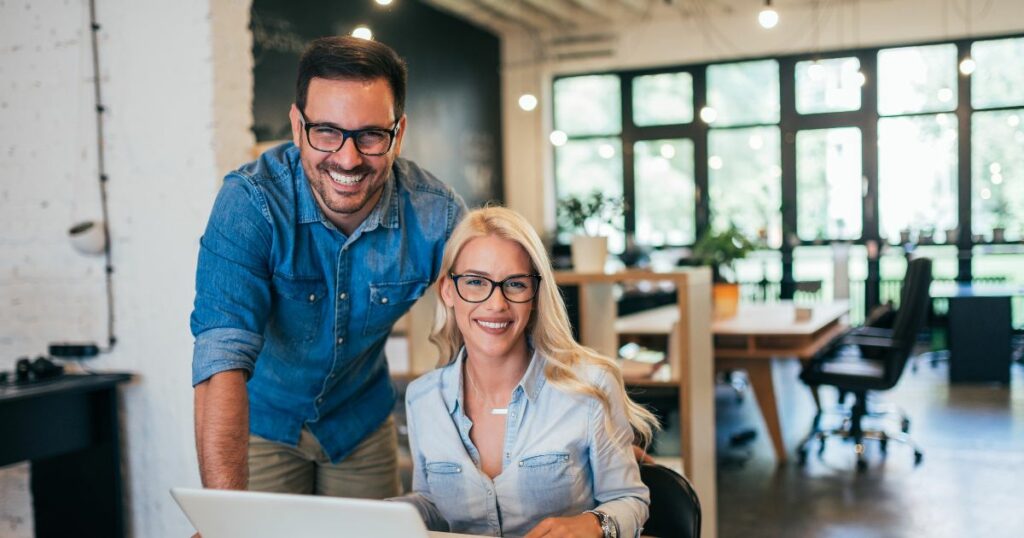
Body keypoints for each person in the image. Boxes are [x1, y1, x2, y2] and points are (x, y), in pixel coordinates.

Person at [190, 36, 466, 498]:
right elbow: (221, 358)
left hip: (359, 423)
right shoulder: (250, 203)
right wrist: (224, 516)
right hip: (261, 423)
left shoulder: (436, 214)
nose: (348, 157)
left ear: (398, 133)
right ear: (298, 126)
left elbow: (497, 318)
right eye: (327, 132)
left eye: (371, 135)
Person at [395, 207, 659, 538]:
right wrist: (384, 514)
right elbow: (434, 505)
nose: (496, 304)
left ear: (534, 294)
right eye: (476, 282)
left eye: (515, 284)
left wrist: (593, 524)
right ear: (448, 291)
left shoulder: (591, 386)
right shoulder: (423, 398)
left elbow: (630, 499)